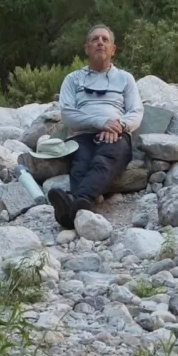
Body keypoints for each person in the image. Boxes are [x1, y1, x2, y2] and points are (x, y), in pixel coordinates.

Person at [47, 25, 144, 229]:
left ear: (113, 49)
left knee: (103, 160)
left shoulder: (125, 79)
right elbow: (67, 114)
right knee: (80, 164)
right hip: (81, 134)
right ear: (87, 48)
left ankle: (74, 204)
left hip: (116, 136)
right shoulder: (73, 79)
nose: (100, 42)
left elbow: (136, 111)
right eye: (95, 39)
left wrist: (118, 126)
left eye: (105, 39)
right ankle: (82, 206)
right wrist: (101, 123)